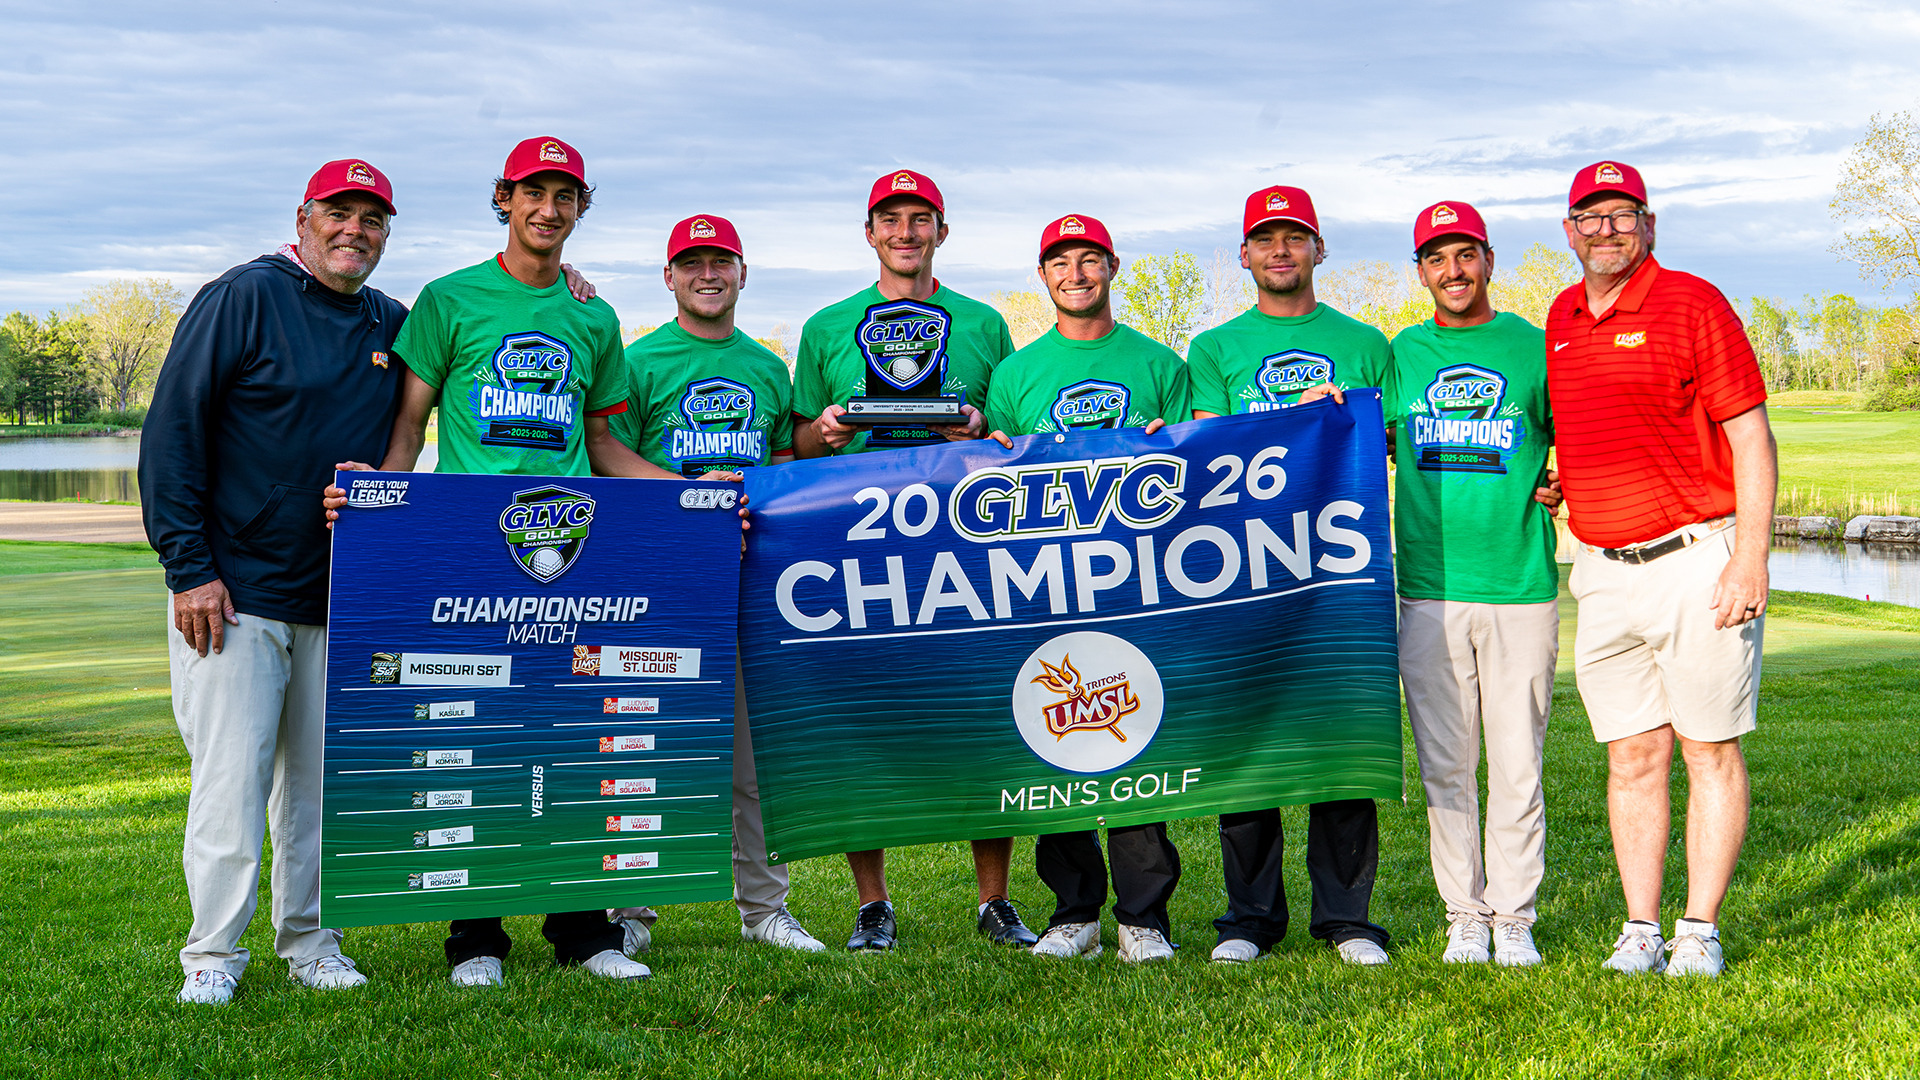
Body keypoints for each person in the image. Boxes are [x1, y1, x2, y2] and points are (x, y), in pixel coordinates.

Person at [329, 135, 674, 987]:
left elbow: (601, 440)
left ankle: (584, 932)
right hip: (470, 551)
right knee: (472, 738)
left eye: (565, 197)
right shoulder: (449, 299)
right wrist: (382, 514)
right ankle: (475, 938)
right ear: (504, 199)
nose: (547, 210)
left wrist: (689, 495)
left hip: (569, 549)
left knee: (576, 737)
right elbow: (410, 427)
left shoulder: (594, 316)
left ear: (580, 207)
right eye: (532, 194)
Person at [141, 159, 408, 1004]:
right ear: (303, 218)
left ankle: (311, 943)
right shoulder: (244, 296)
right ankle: (212, 959)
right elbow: (172, 434)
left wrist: (574, 287)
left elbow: (478, 333)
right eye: (339, 212)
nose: (353, 230)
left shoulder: (390, 323)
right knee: (231, 784)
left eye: (371, 218)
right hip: (234, 595)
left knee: (319, 793)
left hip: (336, 597)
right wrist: (190, 571)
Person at [790, 169, 1035, 951]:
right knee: (862, 712)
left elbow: (1011, 432)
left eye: (919, 218)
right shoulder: (828, 325)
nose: (905, 231)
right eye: (890, 219)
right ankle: (872, 903)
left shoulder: (984, 322)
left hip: (964, 539)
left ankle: (993, 900)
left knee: (986, 707)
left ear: (941, 231)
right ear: (869, 233)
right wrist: (825, 431)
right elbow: (793, 444)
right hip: (856, 540)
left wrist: (977, 425)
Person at [1546, 161, 1775, 978]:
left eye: (1621, 214)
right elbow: (1598, 423)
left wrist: (1750, 557)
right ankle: (1640, 925)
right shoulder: (1563, 315)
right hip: (1603, 569)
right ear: (1568, 230)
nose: (1605, 229)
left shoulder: (1692, 302)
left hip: (1696, 558)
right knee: (1632, 754)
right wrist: (1566, 477)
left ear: (1648, 224)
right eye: (1590, 216)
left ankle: (1699, 928)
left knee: (1708, 746)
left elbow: (1751, 436)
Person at [603, 213, 823, 953]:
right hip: (660, 577)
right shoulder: (638, 362)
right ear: (668, 277)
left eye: (720, 261)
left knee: (756, 758)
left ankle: (764, 909)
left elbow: (790, 465)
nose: (707, 274)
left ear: (741, 273)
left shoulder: (767, 367)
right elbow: (608, 462)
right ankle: (629, 912)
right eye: (691, 263)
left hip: (750, 577)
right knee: (644, 747)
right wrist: (695, 503)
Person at [1186, 184, 1394, 966]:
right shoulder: (1212, 351)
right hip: (1242, 572)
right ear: (1244, 255)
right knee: (1248, 740)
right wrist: (1289, 419)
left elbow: (1392, 446)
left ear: (1317, 250)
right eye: (1266, 239)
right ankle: (1250, 918)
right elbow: (1205, 453)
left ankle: (1347, 919)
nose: (1281, 250)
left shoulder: (1367, 342)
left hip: (1339, 567)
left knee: (1343, 738)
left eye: (1295, 237)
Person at [984, 214, 1191, 963]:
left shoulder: (1160, 361)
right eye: (1061, 261)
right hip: (1046, 578)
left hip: (1138, 577)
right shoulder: (1015, 375)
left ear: (1111, 268)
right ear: (1045, 276)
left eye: (1089, 259)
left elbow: (1196, 467)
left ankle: (1144, 917)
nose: (1076, 273)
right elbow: (994, 485)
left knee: (1135, 733)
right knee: (1054, 735)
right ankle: (1075, 911)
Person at [1385, 201, 1561, 967]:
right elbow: (1367, 434)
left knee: (1518, 758)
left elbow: (1575, 434)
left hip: (1521, 582)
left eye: (1465, 256)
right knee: (1445, 761)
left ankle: (1513, 913)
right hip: (1428, 584)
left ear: (1488, 260)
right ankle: (1464, 910)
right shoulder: (1402, 353)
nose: (1452, 271)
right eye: (1436, 258)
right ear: (1420, 270)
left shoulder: (1533, 345)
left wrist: (1562, 477)